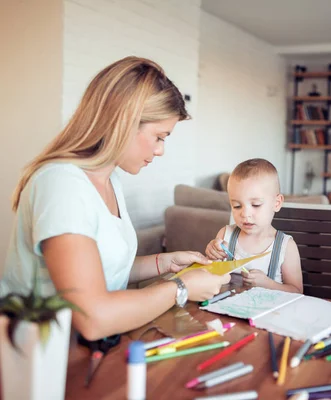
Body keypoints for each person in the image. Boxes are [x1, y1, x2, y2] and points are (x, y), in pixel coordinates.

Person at [0, 57, 230, 341]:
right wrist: (180, 288)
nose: (161, 151)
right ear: (124, 122)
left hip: (92, 349)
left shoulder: (110, 180)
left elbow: (100, 269)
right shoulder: (61, 185)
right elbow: (93, 318)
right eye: (159, 136)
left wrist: (166, 263)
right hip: (40, 356)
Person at [205, 158, 303, 293]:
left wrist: (267, 284)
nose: (245, 214)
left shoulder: (286, 246)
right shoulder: (225, 235)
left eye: (256, 205)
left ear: (277, 203)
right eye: (237, 206)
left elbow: (297, 292)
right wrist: (212, 256)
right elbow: (209, 277)